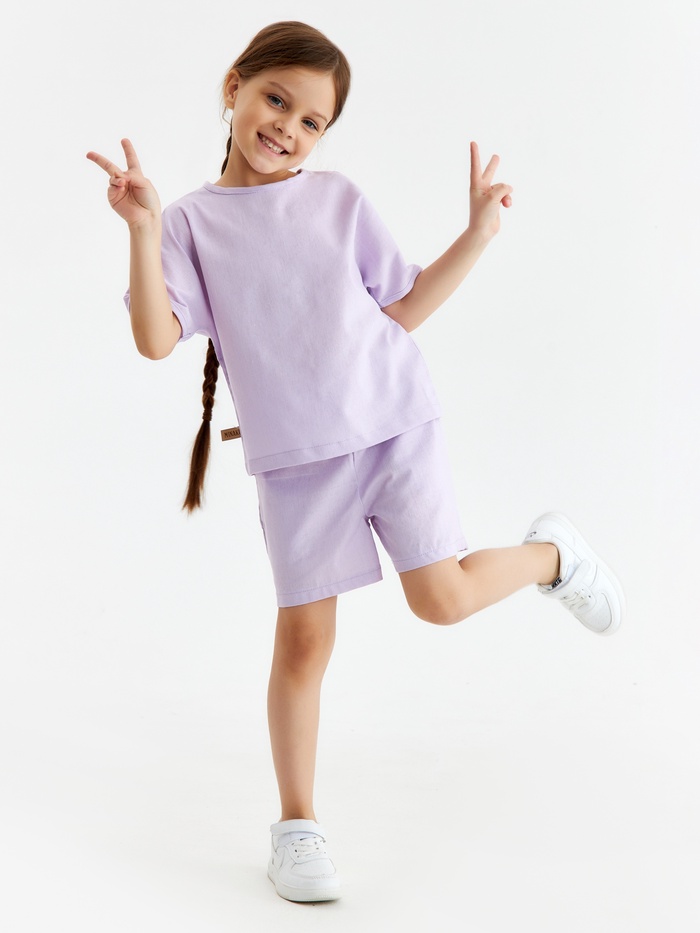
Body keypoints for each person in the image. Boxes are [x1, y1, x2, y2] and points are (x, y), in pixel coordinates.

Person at [87, 20, 624, 904]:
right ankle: (296, 825)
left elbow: (401, 307)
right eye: (276, 100)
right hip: (297, 467)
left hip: (393, 428)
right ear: (234, 87)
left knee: (442, 600)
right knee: (304, 643)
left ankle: (552, 555)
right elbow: (154, 338)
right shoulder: (189, 223)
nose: (288, 128)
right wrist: (143, 229)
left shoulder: (337, 200)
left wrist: (478, 233)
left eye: (312, 121)